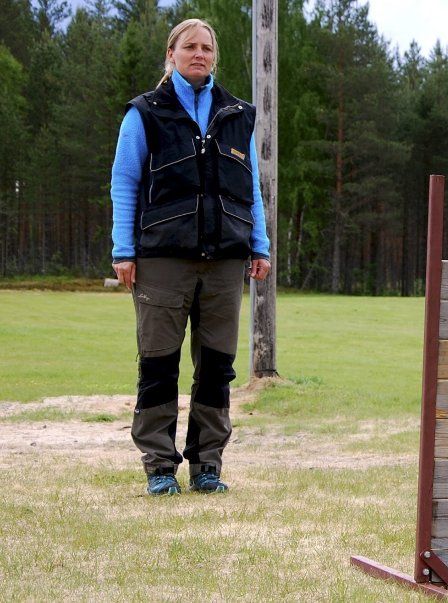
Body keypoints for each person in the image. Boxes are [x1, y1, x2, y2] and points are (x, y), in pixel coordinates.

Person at [110, 18, 271, 496]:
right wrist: (124, 250)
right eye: (189, 47)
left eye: (206, 48)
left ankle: (207, 466)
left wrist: (258, 244)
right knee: (159, 362)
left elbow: (251, 191)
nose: (198, 54)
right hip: (162, 258)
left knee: (217, 366)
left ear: (214, 56)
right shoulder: (145, 112)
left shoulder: (238, 113)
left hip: (225, 259)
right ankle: (160, 466)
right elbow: (124, 182)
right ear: (172, 54)